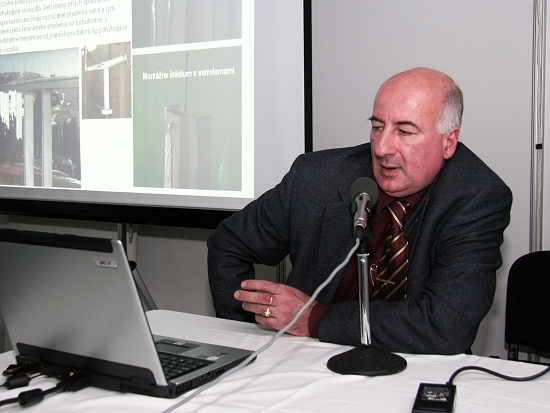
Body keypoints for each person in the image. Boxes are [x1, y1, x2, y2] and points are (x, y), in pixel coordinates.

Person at [207, 67, 512, 355]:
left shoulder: (476, 197)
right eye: (377, 127)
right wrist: (248, 337)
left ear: (449, 142)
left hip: (421, 365)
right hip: (308, 358)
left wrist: (314, 318)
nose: (381, 148)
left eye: (405, 132)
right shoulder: (316, 178)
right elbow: (229, 244)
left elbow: (446, 325)